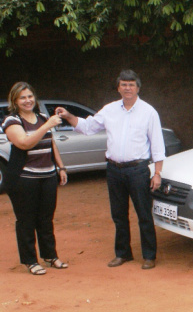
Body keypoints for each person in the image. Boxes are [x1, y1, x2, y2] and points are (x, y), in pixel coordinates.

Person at [55, 70, 165, 270]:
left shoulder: (149, 112)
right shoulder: (110, 109)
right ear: (118, 88)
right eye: (123, 84)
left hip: (138, 170)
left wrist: (157, 173)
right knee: (118, 214)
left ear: (138, 87)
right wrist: (68, 115)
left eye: (131, 84)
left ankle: (149, 256)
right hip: (114, 170)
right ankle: (123, 254)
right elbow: (88, 127)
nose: (127, 88)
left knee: (144, 214)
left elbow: (157, 145)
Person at [2, 82, 69, 275]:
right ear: (15, 100)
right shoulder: (12, 121)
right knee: (26, 220)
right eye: (22, 97)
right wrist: (47, 125)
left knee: (46, 218)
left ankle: (50, 255)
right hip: (23, 178)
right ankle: (30, 260)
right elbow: (24, 143)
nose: (27, 100)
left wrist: (61, 166)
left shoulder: (41, 117)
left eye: (30, 96)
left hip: (47, 176)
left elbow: (51, 143)